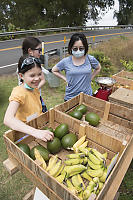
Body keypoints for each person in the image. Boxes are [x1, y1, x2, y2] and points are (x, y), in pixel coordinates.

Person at [4, 55, 54, 142]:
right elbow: (8, 119)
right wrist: (36, 132)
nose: (37, 78)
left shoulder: (34, 87)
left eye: (39, 74)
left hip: (37, 128)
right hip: (25, 134)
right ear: (21, 76)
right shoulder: (18, 93)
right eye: (32, 75)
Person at [52, 33, 101, 101]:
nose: (78, 51)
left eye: (81, 48)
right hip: (70, 97)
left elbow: (98, 68)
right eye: (75, 49)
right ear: (71, 48)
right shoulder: (65, 61)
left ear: (85, 47)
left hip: (86, 96)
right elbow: (54, 70)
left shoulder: (90, 59)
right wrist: (65, 79)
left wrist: (90, 78)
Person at [18, 36, 47, 112]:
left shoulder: (37, 63)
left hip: (37, 97)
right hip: (27, 99)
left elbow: (43, 80)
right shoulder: (23, 66)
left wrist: (35, 90)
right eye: (39, 50)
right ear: (30, 51)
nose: (40, 52)